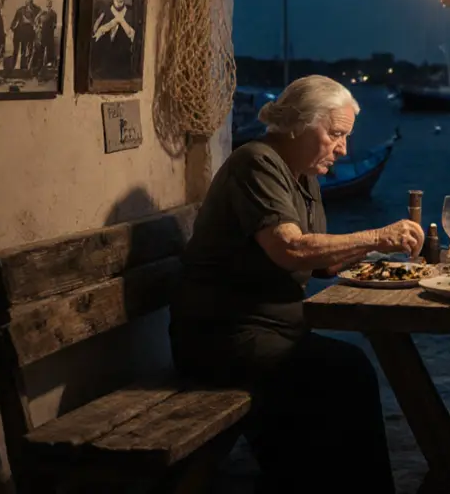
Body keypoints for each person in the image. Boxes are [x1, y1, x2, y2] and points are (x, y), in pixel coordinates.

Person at [169, 75, 422, 494]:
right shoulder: (257, 162)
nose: (343, 148)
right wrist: (378, 236)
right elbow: (291, 249)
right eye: (336, 134)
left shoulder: (303, 175)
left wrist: (380, 255)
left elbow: (317, 264)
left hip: (272, 332)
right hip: (223, 335)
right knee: (344, 375)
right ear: (297, 124)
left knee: (346, 374)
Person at [90, 0, 138, 80]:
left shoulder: (130, 14)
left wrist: (120, 21)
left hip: (123, 73)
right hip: (103, 71)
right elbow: (95, 36)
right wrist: (112, 23)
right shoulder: (104, 12)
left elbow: (134, 37)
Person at [10, 0, 39, 72]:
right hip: (21, 34)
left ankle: (28, 69)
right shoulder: (20, 10)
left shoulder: (37, 9)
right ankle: (21, 69)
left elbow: (38, 22)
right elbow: (13, 23)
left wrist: (35, 26)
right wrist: (14, 29)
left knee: (30, 52)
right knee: (22, 51)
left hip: (31, 34)